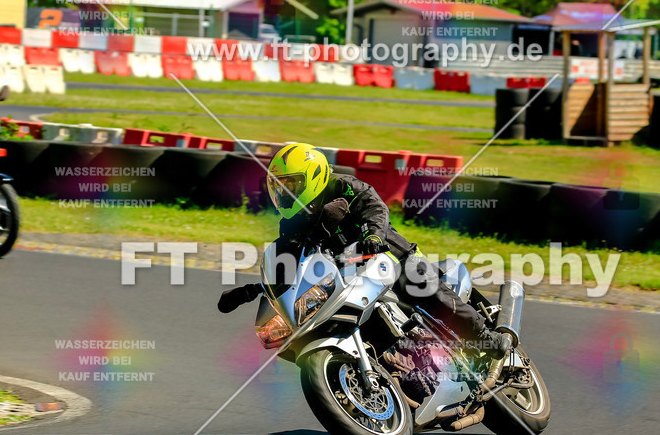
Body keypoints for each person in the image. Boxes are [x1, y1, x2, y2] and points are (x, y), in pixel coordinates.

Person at [216, 142, 513, 359]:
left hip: (388, 257)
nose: (285, 193)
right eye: (279, 186)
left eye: (292, 184)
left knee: (422, 286)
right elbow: (289, 262)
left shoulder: (342, 186)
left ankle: (484, 337)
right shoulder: (291, 224)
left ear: (314, 175)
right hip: (349, 278)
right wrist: (261, 289)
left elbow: (374, 207)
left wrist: (372, 234)